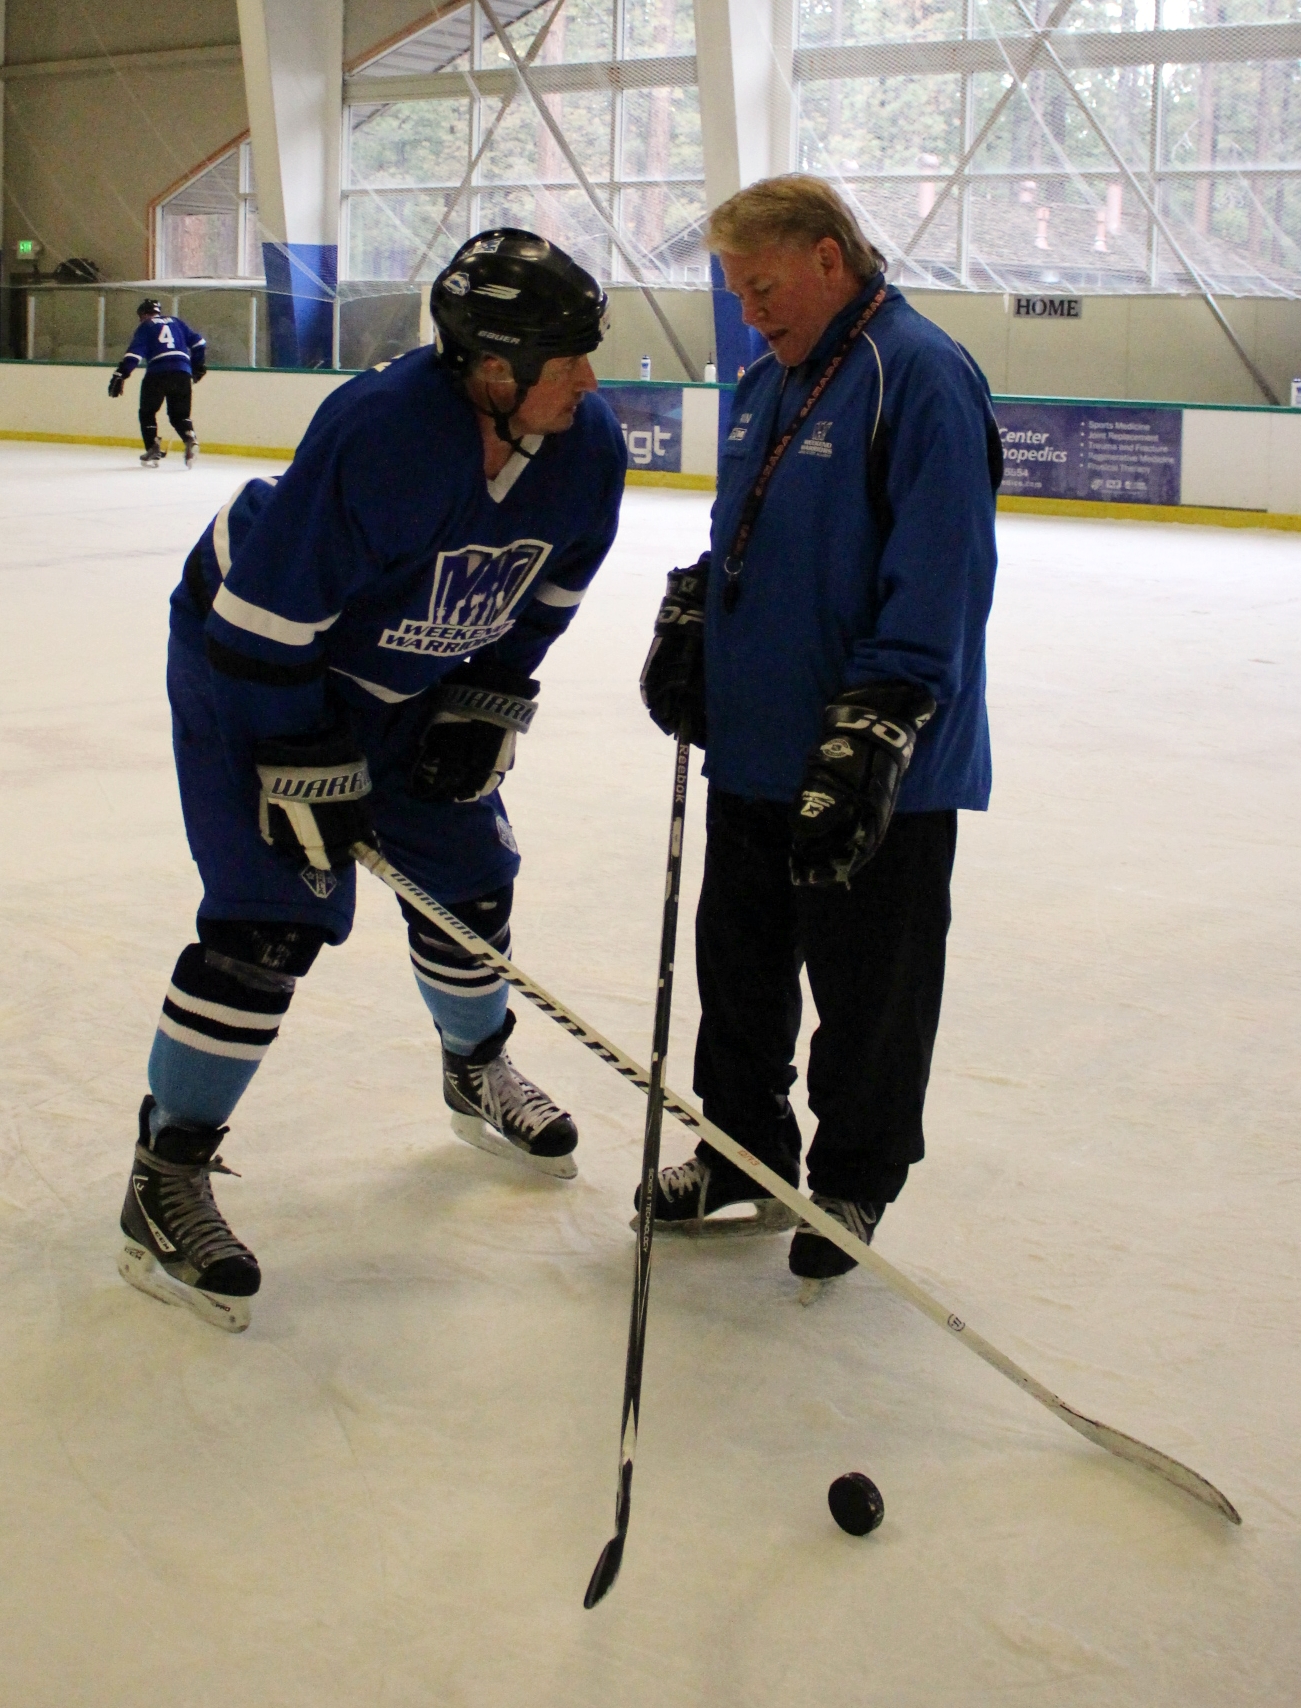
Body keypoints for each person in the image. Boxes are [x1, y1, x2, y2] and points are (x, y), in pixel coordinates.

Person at [118, 230, 627, 1332]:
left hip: (404, 674)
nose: (590, 380)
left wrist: (488, 695)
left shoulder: (586, 450)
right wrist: (302, 759)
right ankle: (165, 1173)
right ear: (493, 368)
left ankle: (473, 1066)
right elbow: (260, 633)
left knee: (469, 879)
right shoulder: (385, 435)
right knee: (271, 919)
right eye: (567, 357)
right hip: (249, 664)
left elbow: (546, 596)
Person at [639, 176, 1000, 1282]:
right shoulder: (763, 380)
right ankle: (742, 1150)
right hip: (755, 743)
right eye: (736, 292)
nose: (749, 312)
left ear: (828, 258)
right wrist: (702, 610)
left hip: (875, 762)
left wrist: (881, 717)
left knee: (870, 993)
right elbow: (751, 535)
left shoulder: (918, 374)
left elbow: (941, 568)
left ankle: (851, 1176)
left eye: (761, 287)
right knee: (738, 972)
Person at [108, 297, 207, 467]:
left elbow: (134, 355)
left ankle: (152, 448)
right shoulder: (176, 322)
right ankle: (190, 438)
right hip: (183, 372)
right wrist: (197, 366)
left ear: (143, 314)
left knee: (147, 412)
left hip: (157, 373)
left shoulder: (146, 327)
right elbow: (200, 343)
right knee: (180, 415)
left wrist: (121, 373)